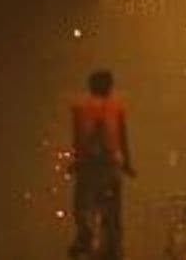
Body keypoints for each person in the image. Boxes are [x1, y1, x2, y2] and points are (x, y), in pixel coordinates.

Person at [69, 69, 134, 260]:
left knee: (83, 205)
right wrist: (127, 164)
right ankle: (112, 244)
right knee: (112, 210)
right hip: (111, 165)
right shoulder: (117, 107)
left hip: (88, 165)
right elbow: (122, 138)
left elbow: (78, 139)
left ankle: (84, 236)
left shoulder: (80, 108)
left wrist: (76, 161)